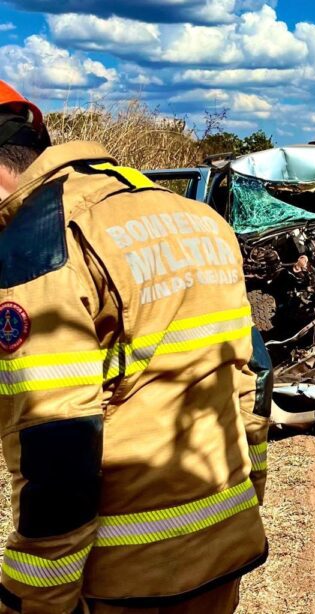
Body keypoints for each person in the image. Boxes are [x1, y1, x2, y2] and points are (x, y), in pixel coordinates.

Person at [0, 80, 271, 613]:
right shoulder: (200, 221)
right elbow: (254, 381)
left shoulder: (41, 246)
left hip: (128, 580)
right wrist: (246, 502)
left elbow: (59, 456)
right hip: (222, 550)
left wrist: (33, 605)